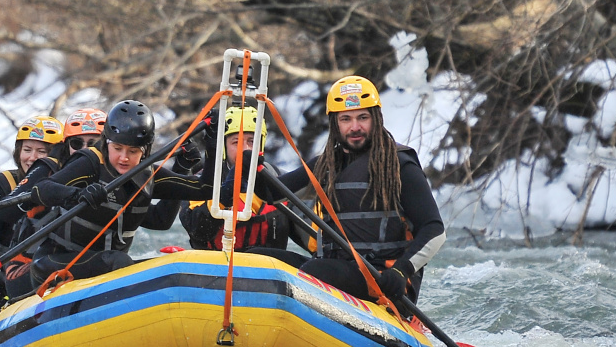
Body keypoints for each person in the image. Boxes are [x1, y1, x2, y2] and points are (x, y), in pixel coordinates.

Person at [7, 100, 207, 299]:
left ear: (143, 151)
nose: (124, 158)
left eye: (132, 151)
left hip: (101, 266)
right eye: (118, 148)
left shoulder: (141, 174)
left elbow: (161, 219)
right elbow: (39, 190)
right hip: (52, 262)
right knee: (118, 261)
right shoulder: (83, 164)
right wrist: (76, 196)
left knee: (150, 262)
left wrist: (188, 163)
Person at [275, 75, 444, 304]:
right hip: (335, 269)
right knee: (264, 258)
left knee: (317, 270)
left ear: (376, 119)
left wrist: (402, 270)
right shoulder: (326, 164)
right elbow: (273, 192)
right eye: (346, 119)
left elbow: (434, 230)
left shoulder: (400, 164)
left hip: (383, 280)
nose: (355, 127)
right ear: (335, 123)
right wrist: (246, 165)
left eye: (362, 117)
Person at [179, 104, 307, 268]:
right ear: (223, 147)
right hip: (213, 270)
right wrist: (227, 193)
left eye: (251, 141)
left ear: (261, 145)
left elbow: (310, 240)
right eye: (236, 142)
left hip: (269, 273)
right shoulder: (200, 184)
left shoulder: (281, 181)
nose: (245, 149)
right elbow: (198, 230)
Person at [0, 114, 64, 263]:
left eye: (42, 152)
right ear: (18, 152)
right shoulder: (6, 183)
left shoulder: (68, 185)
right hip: (7, 269)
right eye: (27, 150)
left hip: (53, 268)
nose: (32, 158)